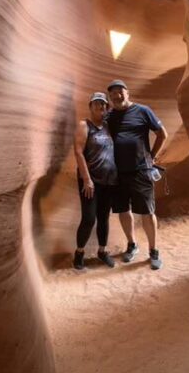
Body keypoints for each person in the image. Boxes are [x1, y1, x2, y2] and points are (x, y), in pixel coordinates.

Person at [106, 79, 168, 270]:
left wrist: (152, 157)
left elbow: (162, 134)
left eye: (120, 92)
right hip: (117, 172)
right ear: (110, 97)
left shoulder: (143, 111)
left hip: (140, 170)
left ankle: (154, 251)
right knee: (123, 210)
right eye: (113, 93)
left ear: (127, 93)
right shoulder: (110, 117)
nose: (117, 96)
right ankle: (132, 245)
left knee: (148, 212)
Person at [73, 91, 118, 272]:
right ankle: (79, 253)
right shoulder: (85, 125)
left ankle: (102, 251)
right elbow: (78, 151)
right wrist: (86, 179)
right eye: (96, 103)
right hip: (90, 181)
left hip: (109, 181)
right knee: (89, 218)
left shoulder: (108, 126)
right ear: (90, 106)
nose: (100, 106)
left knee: (104, 218)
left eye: (103, 104)